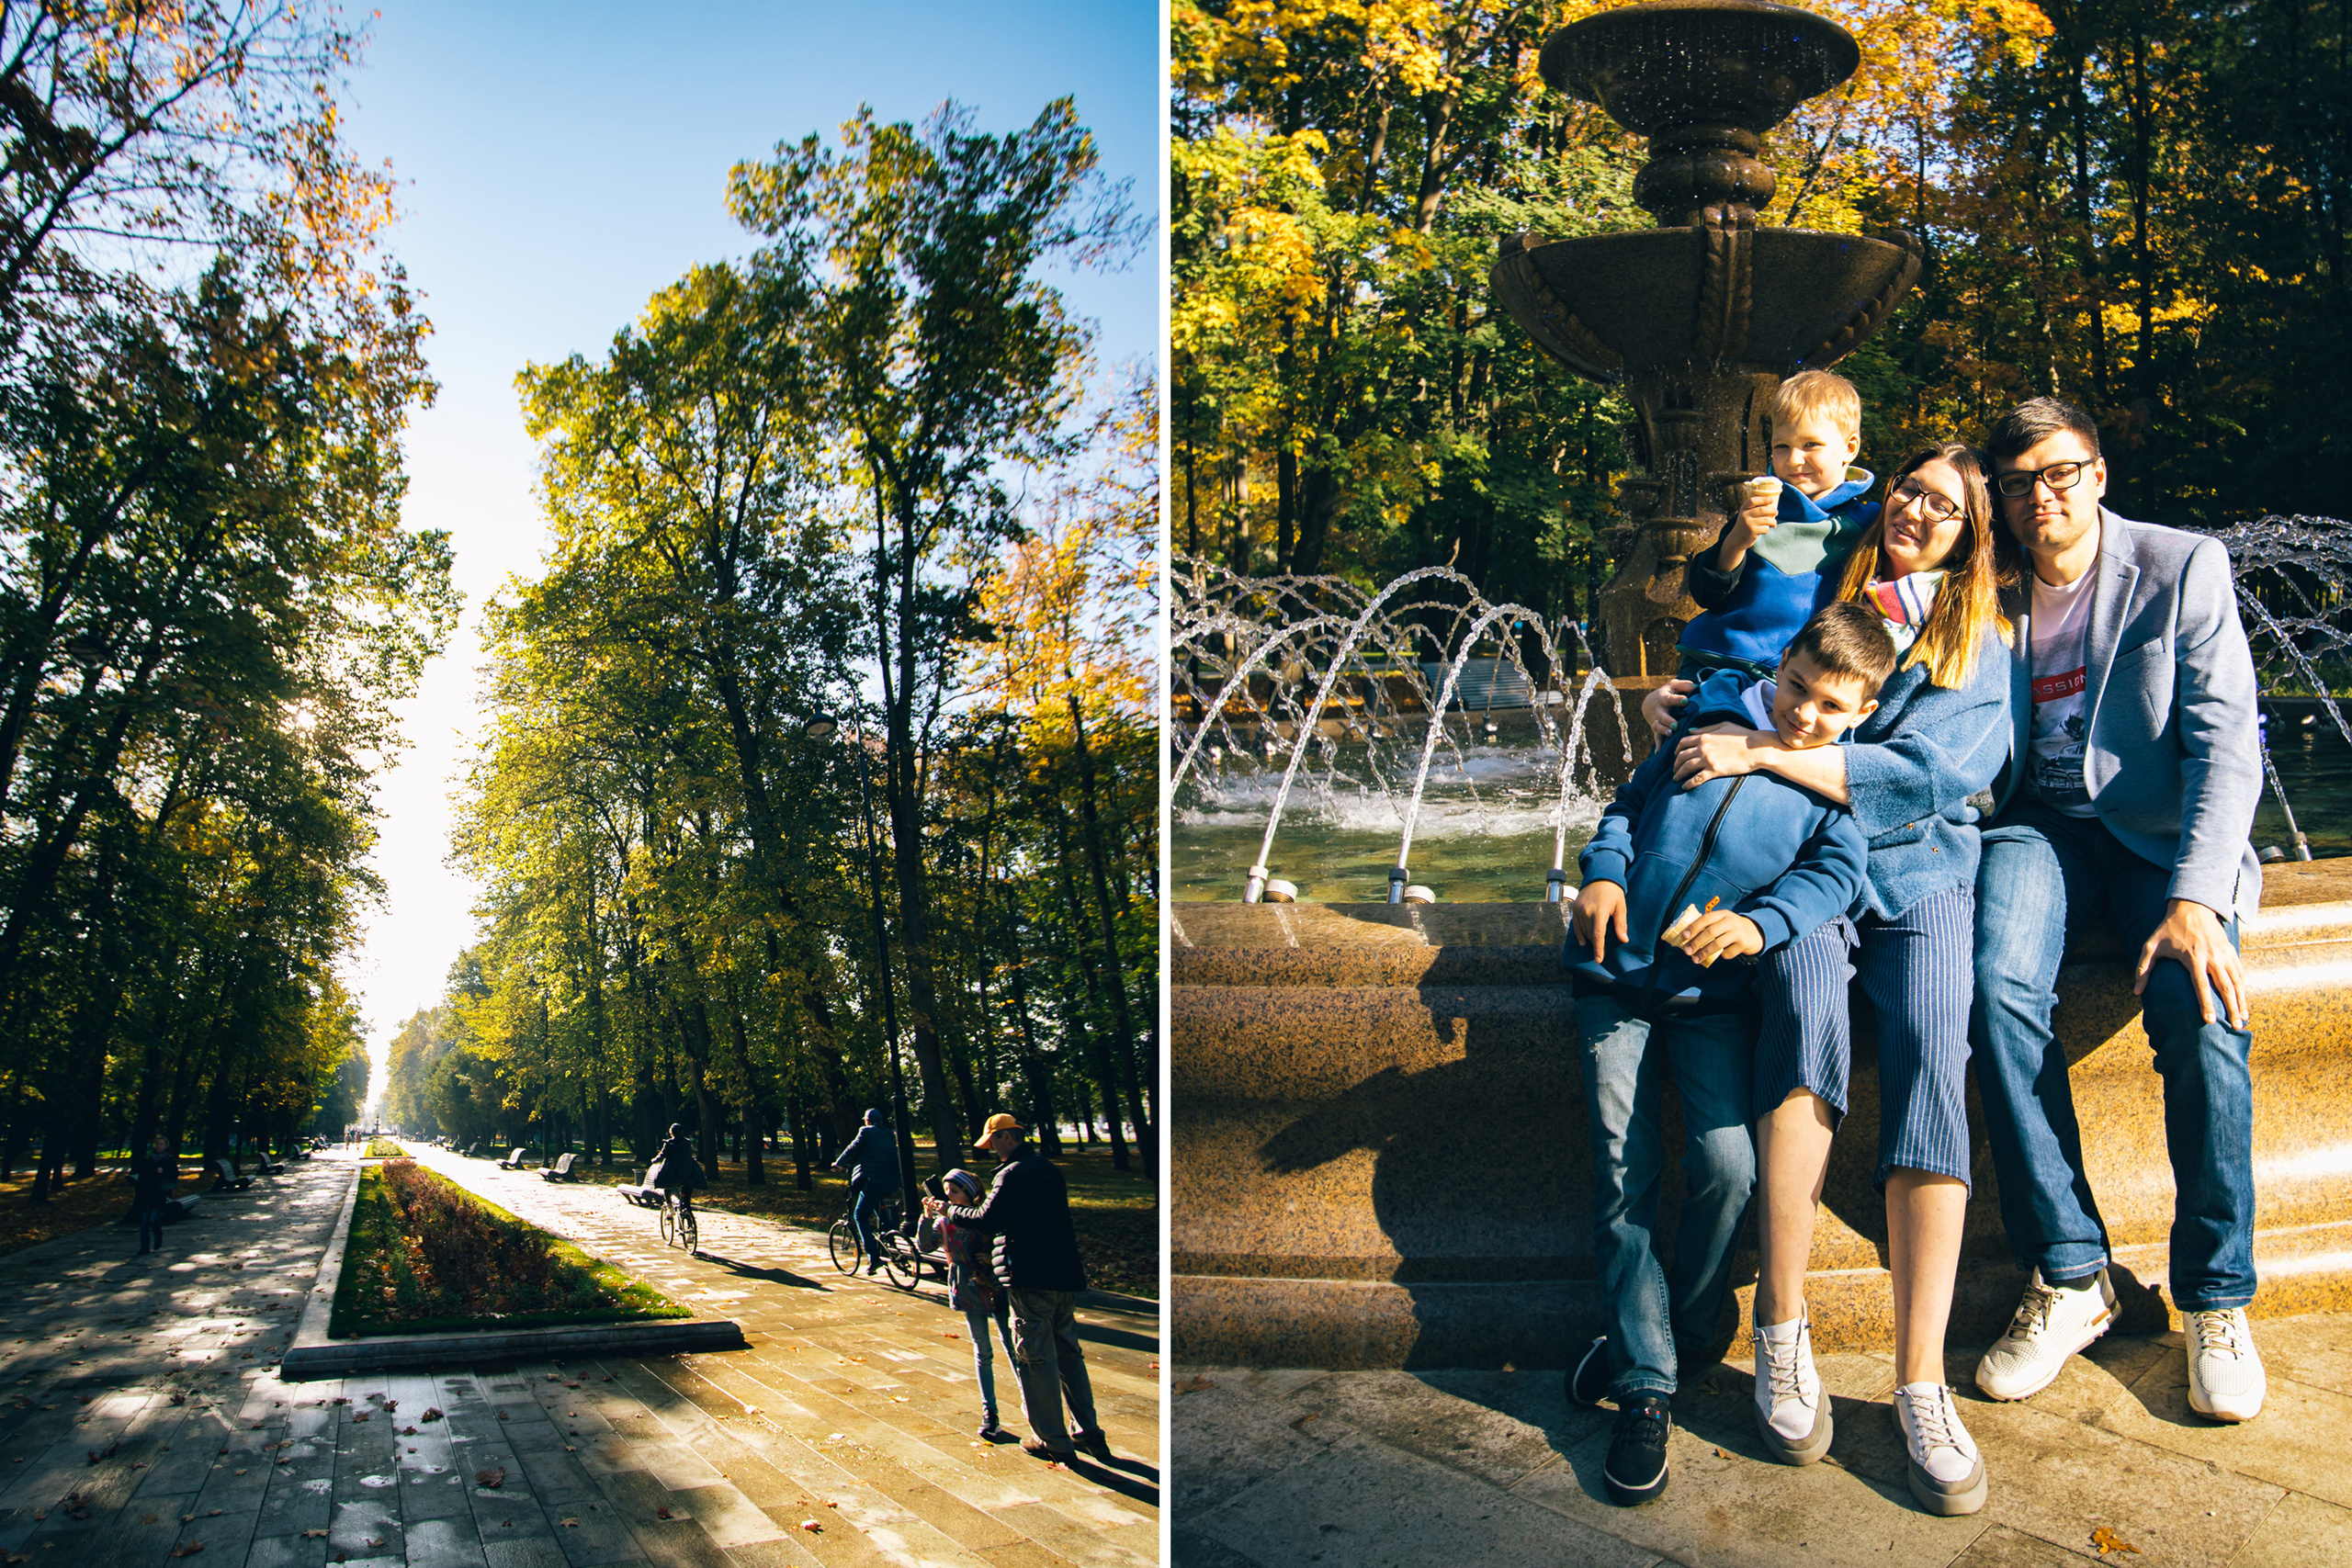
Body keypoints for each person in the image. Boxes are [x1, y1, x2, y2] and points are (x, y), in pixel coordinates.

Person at [1640, 443, 2018, 1516]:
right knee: (1804, 1014)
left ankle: (1919, 1382)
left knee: (1932, 1051)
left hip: (1923, 872)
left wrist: (1761, 755)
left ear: (1970, 534)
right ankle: (1781, 1326)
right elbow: (1759, 657)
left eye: (1944, 507)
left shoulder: (1977, 634)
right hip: (1806, 866)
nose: (1916, 512)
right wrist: (1683, 701)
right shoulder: (1831, 578)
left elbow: (1932, 774)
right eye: (1908, 490)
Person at [1964, 397, 2266, 1423]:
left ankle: (2216, 1295)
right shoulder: (1982, 584)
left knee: (2202, 1008)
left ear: (2097, 474)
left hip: (2157, 836)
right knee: (1992, 987)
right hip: (2037, 827)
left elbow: (2226, 745)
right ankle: (2070, 1271)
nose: (2039, 496)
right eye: (2017, 482)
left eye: (2059, 473)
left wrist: (2197, 899)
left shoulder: (2180, 567)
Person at [1563, 602, 1879, 1508]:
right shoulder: (1706, 719)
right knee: (1623, 1175)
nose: (1803, 714)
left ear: (1860, 713)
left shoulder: (1833, 791)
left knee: (1729, 1168)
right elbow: (1628, 805)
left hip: (1711, 998)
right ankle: (1645, 1386)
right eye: (1796, 687)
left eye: (1830, 706)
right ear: (1778, 668)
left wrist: (1758, 924)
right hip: (1613, 975)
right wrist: (1603, 872)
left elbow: (1835, 878)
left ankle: (1680, 1329)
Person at [1677, 370, 1880, 682]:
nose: (1794, 459)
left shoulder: (1869, 524)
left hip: (1798, 678)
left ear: (1849, 448)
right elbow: (1706, 594)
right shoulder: (1758, 510)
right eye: (1782, 446)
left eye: (1811, 444)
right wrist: (1737, 540)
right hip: (1719, 664)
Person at [936, 1112, 1108, 1464]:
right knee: (1069, 1355)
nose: (992, 1150)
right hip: (1063, 1275)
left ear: (1007, 1137)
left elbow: (986, 1218)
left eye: (993, 1142)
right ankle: (1088, 1430)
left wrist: (950, 1211)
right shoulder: (1049, 1169)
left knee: (1035, 1358)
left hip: (1029, 1276)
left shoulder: (1011, 1174)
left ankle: (1052, 1440)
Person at [934, 1167, 1018, 1440]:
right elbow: (925, 1244)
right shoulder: (946, 1221)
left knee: (1013, 1347)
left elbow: (1004, 1243)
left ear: (969, 1194)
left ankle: (1033, 1406)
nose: (949, 1196)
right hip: (969, 1291)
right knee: (983, 1351)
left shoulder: (986, 1217)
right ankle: (990, 1413)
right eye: (947, 1191)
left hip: (995, 1288)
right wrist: (926, 1218)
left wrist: (992, 1260)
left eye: (954, 1191)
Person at [831, 1110, 900, 1276]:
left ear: (867, 1121)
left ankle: (873, 1257)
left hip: (873, 1180)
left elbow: (852, 1148)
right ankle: (890, 1242)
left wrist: (839, 1163)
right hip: (891, 1181)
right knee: (878, 1208)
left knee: (860, 1215)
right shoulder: (889, 1134)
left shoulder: (866, 1131)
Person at [650, 1123, 706, 1236]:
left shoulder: (669, 1144)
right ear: (681, 1132)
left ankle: (670, 1207)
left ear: (671, 1133)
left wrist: (654, 1160)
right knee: (686, 1205)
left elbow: (662, 1155)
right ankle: (690, 1230)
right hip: (688, 1174)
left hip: (673, 1174)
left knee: (666, 1186)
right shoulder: (687, 1142)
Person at [130, 1134, 177, 1258]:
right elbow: (142, 1176)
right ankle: (144, 1246)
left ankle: (158, 1234)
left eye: (161, 1144)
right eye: (157, 1144)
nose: (158, 1146)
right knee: (144, 1221)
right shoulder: (149, 1159)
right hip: (146, 1194)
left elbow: (174, 1176)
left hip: (159, 1194)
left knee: (152, 1219)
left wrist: (163, 1172)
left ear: (166, 1146)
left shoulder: (169, 1160)